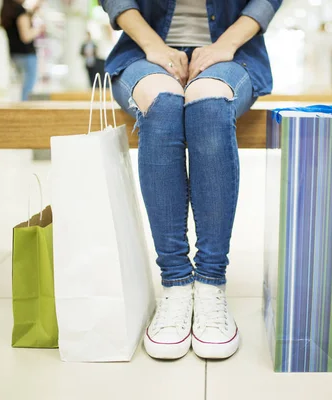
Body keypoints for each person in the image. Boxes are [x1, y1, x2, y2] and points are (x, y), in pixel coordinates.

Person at [99, 0, 281, 360]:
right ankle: (176, 283)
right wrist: (153, 46)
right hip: (142, 52)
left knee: (209, 105)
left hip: (233, 53)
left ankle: (212, 282)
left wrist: (225, 45)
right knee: (163, 103)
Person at [0, 0, 43, 100]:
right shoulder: (20, 11)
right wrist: (39, 30)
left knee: (20, 84)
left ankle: (21, 106)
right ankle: (25, 108)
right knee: (29, 84)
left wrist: (32, 12)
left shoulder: (7, 10)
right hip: (27, 54)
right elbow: (26, 36)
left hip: (14, 54)